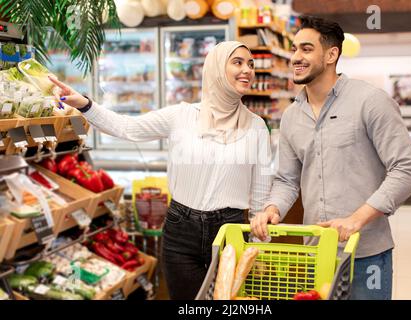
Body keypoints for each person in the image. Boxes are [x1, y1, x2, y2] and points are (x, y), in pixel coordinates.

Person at [49, 41, 273, 300]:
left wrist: (258, 249)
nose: (247, 70)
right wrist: (85, 105)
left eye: (251, 64)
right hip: (181, 230)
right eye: (238, 62)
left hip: (231, 230)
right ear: (216, 69)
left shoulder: (256, 127)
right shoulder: (182, 115)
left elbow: (260, 194)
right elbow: (128, 128)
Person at [250, 16, 411, 300]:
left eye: (305, 49)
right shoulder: (292, 116)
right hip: (317, 252)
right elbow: (287, 179)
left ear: (331, 54)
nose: (295, 57)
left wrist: (356, 219)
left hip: (366, 253)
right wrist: (273, 208)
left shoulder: (370, 101)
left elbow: (405, 170)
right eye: (294, 49)